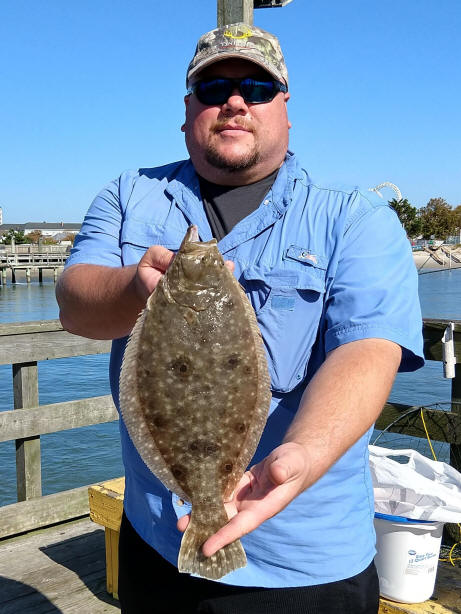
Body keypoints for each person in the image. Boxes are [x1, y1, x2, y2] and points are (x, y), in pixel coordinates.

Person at [56, 22, 424, 614]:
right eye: (213, 89)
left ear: (286, 111)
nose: (234, 102)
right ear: (186, 112)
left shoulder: (355, 217)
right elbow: (74, 304)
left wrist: (303, 453)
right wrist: (136, 286)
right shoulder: (130, 194)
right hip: (156, 542)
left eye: (256, 88)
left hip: (305, 565)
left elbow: (369, 348)